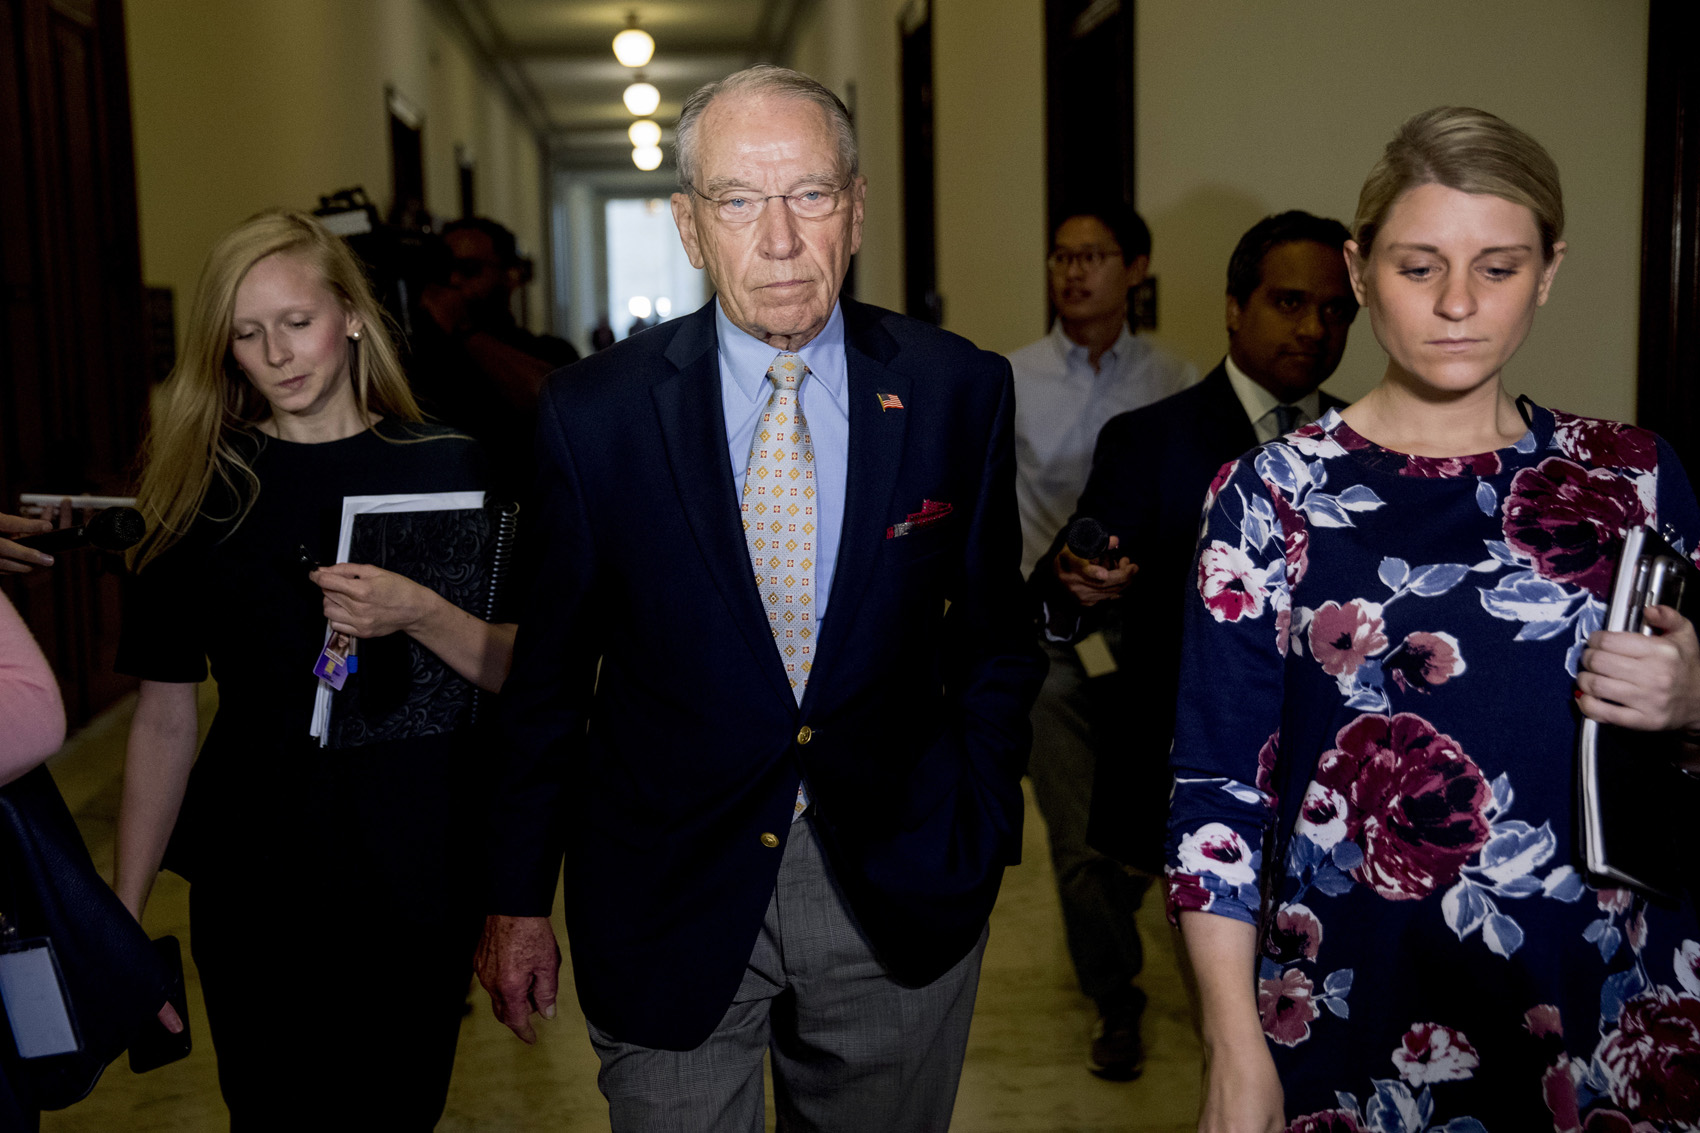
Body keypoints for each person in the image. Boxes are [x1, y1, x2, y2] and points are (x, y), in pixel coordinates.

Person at [475, 64, 1046, 1132]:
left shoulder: (953, 387)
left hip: (894, 881)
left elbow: (994, 637)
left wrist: (978, 814)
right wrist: (514, 896)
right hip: (664, 885)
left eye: (811, 196)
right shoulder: (589, 417)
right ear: (689, 227)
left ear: (857, 207)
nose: (778, 239)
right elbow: (547, 680)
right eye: (738, 201)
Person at [1167, 107, 1700, 1131]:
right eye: (1419, 268)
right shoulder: (1267, 493)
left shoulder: (1631, 475)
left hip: (1605, 986)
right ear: (1358, 269)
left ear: (1546, 271)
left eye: (1496, 269)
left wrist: (1692, 695)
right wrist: (1230, 1046)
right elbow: (1215, 798)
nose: (1456, 303)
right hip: (1352, 997)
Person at [112, 209, 515, 1130]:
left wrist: (420, 610)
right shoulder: (198, 488)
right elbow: (165, 717)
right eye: (248, 336)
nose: (279, 354)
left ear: (354, 315)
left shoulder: (446, 463)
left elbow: (515, 672)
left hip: (415, 863)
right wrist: (120, 913)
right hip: (258, 870)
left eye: (297, 322)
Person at [1036, 211, 1358, 889]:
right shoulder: (1151, 440)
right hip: (1193, 767)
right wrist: (1077, 580)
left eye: (1336, 309)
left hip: (1332, 771)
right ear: (1236, 308)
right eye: (1290, 302)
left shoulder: (1369, 446)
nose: (1313, 328)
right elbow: (1065, 580)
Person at [1007, 202, 1195, 1079]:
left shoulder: (1175, 380)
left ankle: (1119, 921)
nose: (1074, 271)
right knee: (1075, 837)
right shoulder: (1008, 378)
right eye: (1061, 255)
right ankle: (1116, 997)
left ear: (1138, 267)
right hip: (1052, 639)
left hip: (1148, 638)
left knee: (1144, 830)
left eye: (1094, 255)